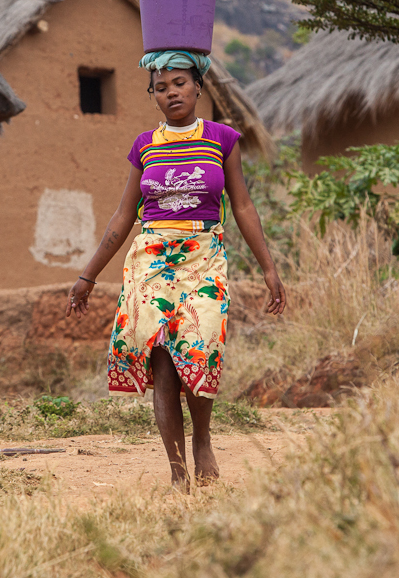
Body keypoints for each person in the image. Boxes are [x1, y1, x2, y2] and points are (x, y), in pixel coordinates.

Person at [66, 49, 287, 491]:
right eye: (161, 88)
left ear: (199, 87)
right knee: (163, 361)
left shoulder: (223, 139)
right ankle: (177, 468)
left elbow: (241, 205)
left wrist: (268, 267)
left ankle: (202, 437)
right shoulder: (144, 147)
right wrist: (88, 275)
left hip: (205, 256)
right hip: (152, 260)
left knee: (200, 349)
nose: (172, 93)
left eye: (180, 83)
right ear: (153, 97)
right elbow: (122, 217)